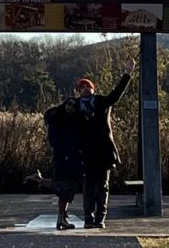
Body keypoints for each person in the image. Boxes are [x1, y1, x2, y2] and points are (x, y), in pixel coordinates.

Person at [77, 59, 135, 229]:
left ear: (93, 89)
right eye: (82, 87)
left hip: (103, 153)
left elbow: (116, 94)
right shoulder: (75, 107)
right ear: (79, 91)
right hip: (86, 154)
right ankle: (88, 217)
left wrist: (127, 74)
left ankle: (100, 219)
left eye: (88, 86)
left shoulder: (101, 102)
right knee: (88, 188)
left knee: (103, 187)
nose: (86, 89)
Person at [38, 96, 84, 230]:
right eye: (69, 104)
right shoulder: (58, 119)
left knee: (67, 187)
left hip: (72, 157)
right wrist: (64, 152)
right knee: (65, 187)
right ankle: (61, 218)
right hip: (64, 158)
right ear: (65, 105)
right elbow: (54, 140)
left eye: (74, 106)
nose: (71, 107)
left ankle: (62, 216)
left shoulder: (75, 119)